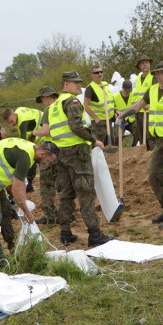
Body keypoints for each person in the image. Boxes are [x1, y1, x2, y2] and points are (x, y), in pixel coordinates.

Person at [36, 72, 115, 247]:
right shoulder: (71, 102)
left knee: (66, 195)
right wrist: (94, 140)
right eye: (76, 83)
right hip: (77, 155)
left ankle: (65, 234)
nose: (79, 86)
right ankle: (95, 234)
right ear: (66, 85)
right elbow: (76, 126)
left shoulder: (54, 106)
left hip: (61, 155)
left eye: (79, 83)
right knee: (86, 193)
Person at [118, 60, 163, 228]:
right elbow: (138, 106)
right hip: (159, 141)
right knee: (153, 176)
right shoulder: (152, 90)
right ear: (156, 74)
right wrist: (123, 114)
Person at [0, 137, 60, 268]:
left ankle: (13, 247)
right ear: (43, 154)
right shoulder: (25, 157)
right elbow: (17, 187)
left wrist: (19, 204)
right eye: (48, 160)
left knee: (6, 212)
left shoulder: (30, 150)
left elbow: (15, 183)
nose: (47, 164)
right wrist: (27, 213)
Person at [29, 85, 62, 225]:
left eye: (42, 99)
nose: (43, 102)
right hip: (65, 150)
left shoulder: (49, 109)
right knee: (64, 184)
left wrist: (33, 134)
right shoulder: (63, 106)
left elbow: (45, 130)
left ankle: (50, 216)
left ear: (47, 97)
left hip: (50, 151)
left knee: (47, 185)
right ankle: (69, 214)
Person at [1, 104, 43, 192]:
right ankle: (30, 184)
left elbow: (23, 143)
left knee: (29, 156)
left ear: (15, 115)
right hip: (40, 135)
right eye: (9, 123)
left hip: (45, 133)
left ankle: (29, 184)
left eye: (12, 121)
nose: (12, 124)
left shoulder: (23, 120)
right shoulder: (19, 111)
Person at [83, 64, 114, 145]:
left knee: (111, 142)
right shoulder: (90, 88)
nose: (99, 74)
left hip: (109, 119)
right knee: (99, 144)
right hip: (99, 122)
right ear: (92, 75)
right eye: (96, 73)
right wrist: (96, 118)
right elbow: (86, 105)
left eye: (101, 72)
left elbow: (109, 101)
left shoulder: (105, 84)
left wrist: (115, 110)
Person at [129, 55, 155, 148]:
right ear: (139, 66)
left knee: (150, 136)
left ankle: (151, 155)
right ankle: (144, 158)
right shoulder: (138, 79)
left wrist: (150, 105)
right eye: (143, 63)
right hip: (139, 112)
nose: (145, 65)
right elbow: (137, 95)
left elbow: (157, 93)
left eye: (147, 62)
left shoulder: (153, 77)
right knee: (141, 136)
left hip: (149, 112)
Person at [112, 80, 136, 145]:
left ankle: (134, 148)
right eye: (126, 91)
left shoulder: (133, 95)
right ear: (122, 87)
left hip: (131, 120)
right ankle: (118, 150)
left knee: (138, 132)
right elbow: (112, 107)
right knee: (117, 136)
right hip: (121, 120)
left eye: (129, 90)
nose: (128, 92)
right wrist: (116, 112)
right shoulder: (116, 97)